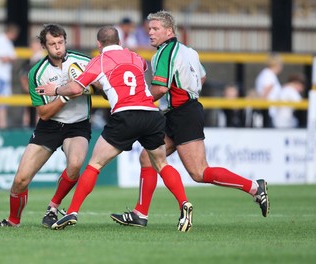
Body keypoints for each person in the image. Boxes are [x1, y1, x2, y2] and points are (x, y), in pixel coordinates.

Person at [109, 11, 270, 228]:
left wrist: (135, 100)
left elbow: (160, 87)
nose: (150, 33)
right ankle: (140, 214)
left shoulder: (164, 52)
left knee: (199, 172)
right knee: (148, 158)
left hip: (182, 113)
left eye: (155, 29)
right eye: (149, 29)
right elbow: (201, 76)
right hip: (181, 111)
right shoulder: (189, 51)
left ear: (169, 31)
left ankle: (254, 187)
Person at [36, 25, 193, 232]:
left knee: (95, 164)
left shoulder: (98, 61)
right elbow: (136, 74)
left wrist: (54, 89)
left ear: (98, 45)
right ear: (120, 42)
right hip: (151, 114)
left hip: (125, 115)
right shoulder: (136, 58)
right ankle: (184, 203)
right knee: (161, 163)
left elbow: (75, 88)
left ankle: (72, 211)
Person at [0, 24, 94, 228]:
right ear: (44, 46)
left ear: (65, 41)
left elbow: (101, 89)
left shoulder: (84, 62)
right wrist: (66, 93)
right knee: (20, 180)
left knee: (75, 165)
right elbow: (44, 113)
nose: (58, 47)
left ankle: (53, 208)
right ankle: (13, 221)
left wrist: (91, 86)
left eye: (60, 42)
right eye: (52, 44)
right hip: (49, 126)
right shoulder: (36, 73)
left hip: (78, 125)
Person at [18, 37, 45, 127]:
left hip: (40, 91)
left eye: (34, 45)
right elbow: (22, 75)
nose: (32, 47)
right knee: (27, 111)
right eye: (31, 45)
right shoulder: (28, 60)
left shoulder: (43, 59)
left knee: (39, 112)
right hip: (29, 92)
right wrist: (27, 87)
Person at [255, 53, 283, 128]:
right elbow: (265, 93)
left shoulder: (269, 74)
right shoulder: (268, 75)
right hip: (268, 112)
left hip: (270, 111)